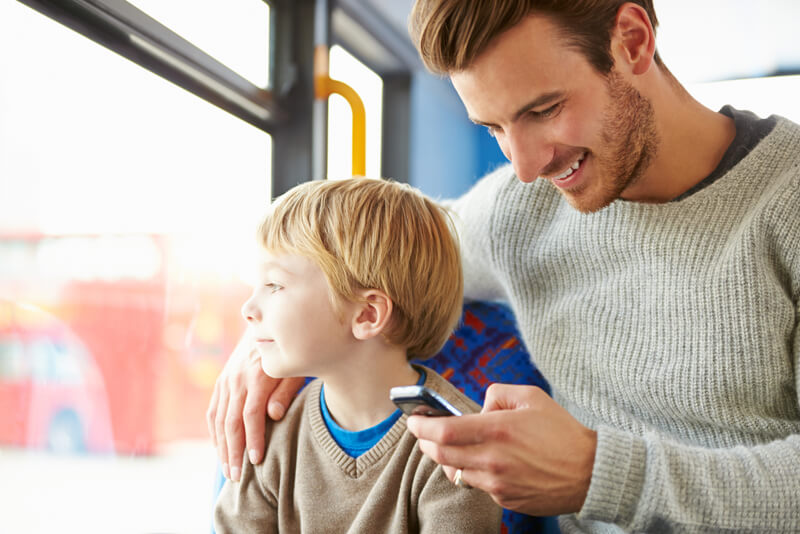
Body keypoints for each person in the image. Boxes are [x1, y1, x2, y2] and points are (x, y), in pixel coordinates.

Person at [208, 0, 800, 531]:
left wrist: (600, 474)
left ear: (632, 40)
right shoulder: (522, 209)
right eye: (493, 127)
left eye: (543, 109)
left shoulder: (787, 202)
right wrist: (264, 332)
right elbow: (369, 257)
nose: (524, 165)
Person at [212, 178, 501, 533]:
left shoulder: (454, 447)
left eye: (275, 285)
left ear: (367, 315)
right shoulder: (271, 432)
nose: (248, 308)